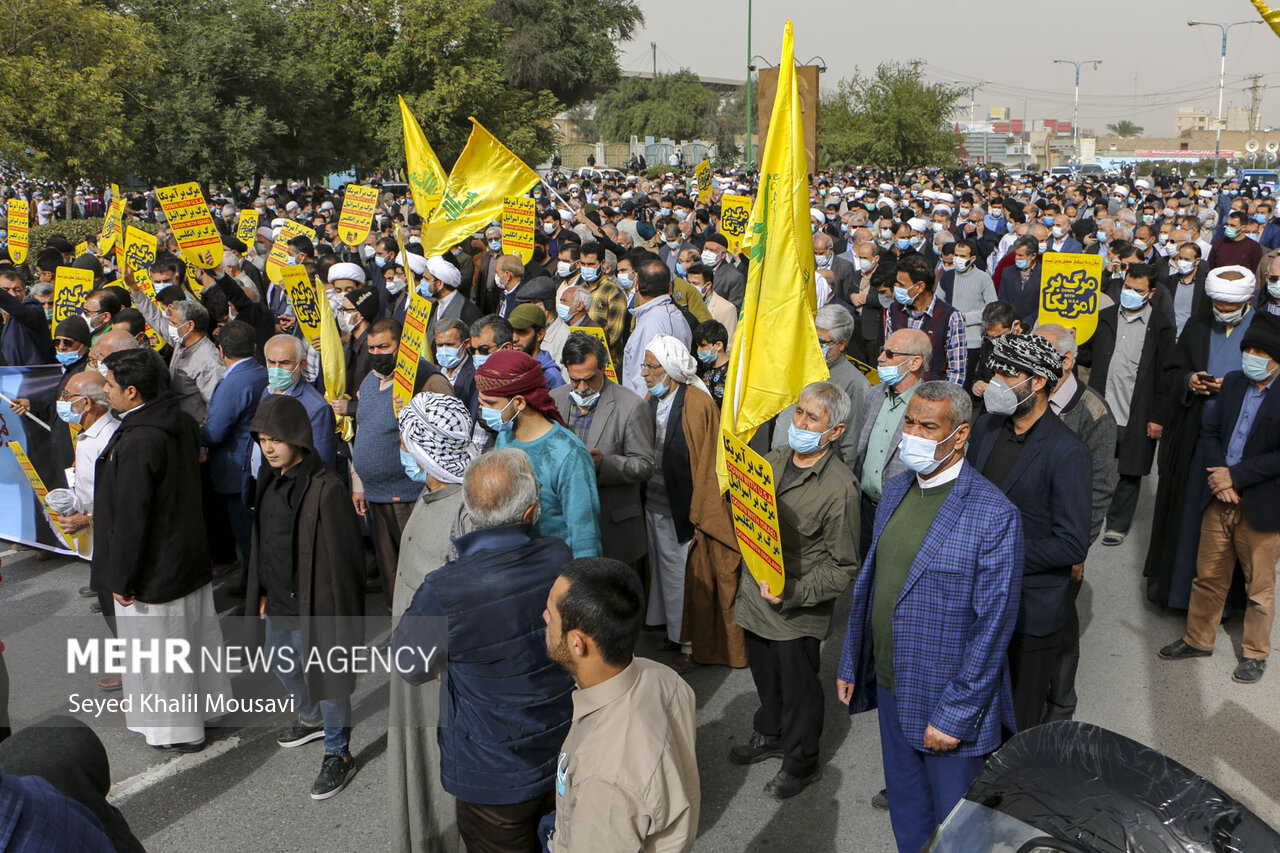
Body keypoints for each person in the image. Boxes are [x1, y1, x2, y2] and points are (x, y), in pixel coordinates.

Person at [838, 381, 1023, 853]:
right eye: (910, 422)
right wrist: (851, 662)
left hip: (950, 708)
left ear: (958, 435)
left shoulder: (993, 514)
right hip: (893, 687)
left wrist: (956, 715)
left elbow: (993, 628)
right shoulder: (897, 489)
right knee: (908, 814)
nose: (913, 434)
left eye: (928, 426)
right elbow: (873, 585)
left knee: (959, 834)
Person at [394, 449, 573, 851]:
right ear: (530, 514)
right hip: (562, 749)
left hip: (491, 777)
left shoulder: (445, 588)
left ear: (471, 511)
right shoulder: (558, 557)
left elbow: (408, 663)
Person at [94, 348, 231, 750]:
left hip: (152, 566)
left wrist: (120, 577)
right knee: (192, 637)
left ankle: (178, 730)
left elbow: (133, 516)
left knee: (161, 652)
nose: (106, 392)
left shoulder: (140, 438)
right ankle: (204, 710)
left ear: (133, 392)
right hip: (185, 552)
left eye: (110, 386)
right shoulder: (181, 421)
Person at [730, 381, 860, 800]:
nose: (799, 422)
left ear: (835, 431)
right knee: (766, 678)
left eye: (812, 417)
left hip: (795, 611)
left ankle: (802, 762)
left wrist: (794, 593)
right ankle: (770, 733)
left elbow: (843, 568)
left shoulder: (840, 489)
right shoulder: (777, 456)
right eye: (799, 412)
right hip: (755, 599)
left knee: (801, 691)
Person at [966, 334, 1091, 730]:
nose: (995, 380)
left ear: (1037, 381)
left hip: (1028, 610)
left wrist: (1001, 554)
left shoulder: (1067, 451)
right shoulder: (986, 427)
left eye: (1006, 372)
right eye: (996, 369)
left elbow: (1071, 543)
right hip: (975, 598)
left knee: (1017, 719)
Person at [244, 393, 365, 800]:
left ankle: (338, 752)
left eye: (276, 438)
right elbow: (264, 542)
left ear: (297, 436)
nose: (269, 448)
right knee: (281, 663)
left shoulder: (326, 488)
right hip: (278, 601)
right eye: (262, 440)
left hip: (318, 607)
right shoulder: (268, 478)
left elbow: (346, 562)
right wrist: (261, 592)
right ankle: (310, 720)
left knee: (329, 682)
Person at [543, 558, 699, 853]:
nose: (544, 617)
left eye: (551, 614)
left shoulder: (603, 782)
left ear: (578, 643)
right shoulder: (663, 677)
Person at [1159, 312, 1280, 684]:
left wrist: (1237, 476)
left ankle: (1255, 654)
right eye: (1249, 349)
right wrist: (1219, 476)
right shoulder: (1233, 384)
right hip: (1219, 496)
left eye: (1261, 351)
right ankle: (1198, 638)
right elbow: (1209, 432)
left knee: (1258, 588)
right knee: (1208, 575)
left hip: (1260, 504)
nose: (1252, 356)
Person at [388, 392, 483, 853]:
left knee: (440, 770)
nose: (401, 449)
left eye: (407, 442)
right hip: (416, 667)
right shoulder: (432, 495)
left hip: (441, 676)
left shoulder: (464, 510)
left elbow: (470, 600)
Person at [1145, 266, 1259, 609]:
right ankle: (1178, 595)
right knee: (1187, 519)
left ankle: (1223, 606)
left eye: (1229, 305)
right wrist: (1191, 381)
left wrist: (1237, 388)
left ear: (1249, 300)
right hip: (1194, 439)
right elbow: (1172, 371)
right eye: (1217, 304)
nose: (1222, 310)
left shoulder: (1266, 331)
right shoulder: (1197, 325)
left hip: (1240, 446)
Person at [642, 334, 744, 670]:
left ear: (669, 371)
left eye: (651, 366)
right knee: (662, 571)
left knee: (681, 573)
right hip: (654, 503)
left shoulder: (698, 404)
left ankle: (687, 641)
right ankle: (671, 630)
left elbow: (707, 463)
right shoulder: (652, 399)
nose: (644, 373)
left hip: (684, 508)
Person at [1035, 323, 1118, 722]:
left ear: (1066, 361)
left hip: (1063, 540)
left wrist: (1079, 546)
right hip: (1024, 537)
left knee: (1061, 625)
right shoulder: (1027, 395)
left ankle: (1061, 705)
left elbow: (1100, 488)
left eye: (1041, 352)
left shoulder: (1094, 413)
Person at [351, 318, 450, 605]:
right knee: (391, 576)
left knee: (418, 572)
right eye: (371, 347)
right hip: (375, 496)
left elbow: (445, 434)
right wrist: (359, 482)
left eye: (384, 346)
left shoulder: (427, 379)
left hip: (410, 495)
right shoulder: (370, 381)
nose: (377, 353)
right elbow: (362, 429)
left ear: (402, 347)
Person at [1076, 263, 1177, 547]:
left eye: (1138, 290)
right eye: (1127, 288)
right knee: (1092, 463)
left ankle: (1117, 524)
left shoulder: (1161, 326)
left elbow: (1166, 375)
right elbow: (1085, 357)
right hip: (1100, 409)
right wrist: (1075, 336)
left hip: (1136, 409)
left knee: (1130, 469)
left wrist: (1158, 417)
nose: (1130, 294)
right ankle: (1087, 514)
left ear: (1151, 292)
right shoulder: (1104, 317)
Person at [475, 350, 602, 558]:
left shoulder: (569, 456)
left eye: (490, 404)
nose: (482, 409)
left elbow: (585, 540)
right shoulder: (504, 438)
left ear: (519, 403)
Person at [551, 332, 654, 569]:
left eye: (590, 379)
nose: (582, 387)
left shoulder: (631, 406)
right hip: (565, 531)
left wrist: (604, 464)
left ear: (604, 368)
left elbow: (645, 465)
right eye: (575, 380)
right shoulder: (555, 400)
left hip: (612, 532)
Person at [199, 319, 267, 593]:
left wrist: (201, 430)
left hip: (236, 469)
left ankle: (255, 591)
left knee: (247, 535)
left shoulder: (233, 383)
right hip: (256, 464)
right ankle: (249, 583)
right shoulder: (262, 372)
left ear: (221, 351)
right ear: (254, 346)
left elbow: (215, 432)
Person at [853, 329, 931, 556]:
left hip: (904, 513)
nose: (880, 358)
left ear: (914, 362)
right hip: (866, 509)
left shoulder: (931, 405)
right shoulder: (874, 394)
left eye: (889, 353)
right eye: (881, 351)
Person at [771, 305, 871, 478]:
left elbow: (850, 445)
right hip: (779, 461)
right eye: (811, 338)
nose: (814, 346)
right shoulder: (799, 365)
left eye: (821, 342)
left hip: (813, 475)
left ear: (841, 345)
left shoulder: (854, 384)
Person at [124, 272, 225, 423]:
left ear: (189, 326)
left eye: (174, 323)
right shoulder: (181, 342)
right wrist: (134, 288)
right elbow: (155, 318)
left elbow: (217, 407)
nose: (169, 326)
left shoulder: (208, 360)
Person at [884, 254, 966, 385]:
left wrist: (945, 402)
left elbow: (956, 371)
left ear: (920, 286)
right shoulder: (894, 311)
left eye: (902, 285)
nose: (896, 288)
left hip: (932, 395)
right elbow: (888, 354)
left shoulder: (950, 317)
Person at [622, 258, 691, 397]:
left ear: (636, 286)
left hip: (649, 407)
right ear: (670, 288)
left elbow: (644, 379)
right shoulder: (679, 317)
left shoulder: (650, 325)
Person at [939, 239, 998, 381]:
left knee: (966, 381)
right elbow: (938, 304)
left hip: (972, 341)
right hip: (948, 339)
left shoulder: (983, 278)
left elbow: (992, 309)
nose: (957, 259)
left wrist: (966, 317)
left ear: (972, 259)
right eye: (956, 255)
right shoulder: (947, 277)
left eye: (962, 256)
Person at [0, 269, 55, 365]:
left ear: (25, 292)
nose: (12, 294)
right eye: (5, 290)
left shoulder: (34, 311)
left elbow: (21, 313)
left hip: (30, 377)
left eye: (17, 290)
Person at [508, 302, 566, 389]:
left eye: (522, 332)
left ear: (540, 334)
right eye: (511, 331)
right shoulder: (507, 366)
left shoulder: (550, 377)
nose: (514, 338)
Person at [433, 317, 478, 420]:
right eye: (440, 345)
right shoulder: (435, 372)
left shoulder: (475, 374)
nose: (444, 350)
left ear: (466, 344)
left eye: (449, 345)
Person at [692, 319, 730, 406]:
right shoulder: (704, 367)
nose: (699, 350)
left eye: (703, 346)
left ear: (719, 345)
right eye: (697, 346)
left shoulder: (732, 371)